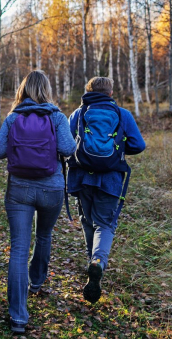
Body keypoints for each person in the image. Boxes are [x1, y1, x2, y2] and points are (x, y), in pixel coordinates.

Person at [0, 71, 76, 335]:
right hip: (51, 187)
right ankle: (36, 282)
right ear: (47, 90)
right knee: (44, 235)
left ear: (23, 90)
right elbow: (68, 148)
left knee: (18, 249)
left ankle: (18, 316)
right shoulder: (57, 116)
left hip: (19, 189)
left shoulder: (14, 116)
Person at [68, 77, 146, 304]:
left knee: (87, 221)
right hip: (110, 178)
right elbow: (138, 145)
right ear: (111, 92)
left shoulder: (78, 113)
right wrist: (117, 149)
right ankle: (98, 263)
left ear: (88, 91)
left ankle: (93, 262)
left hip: (82, 177)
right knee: (105, 224)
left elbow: (66, 141)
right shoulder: (123, 114)